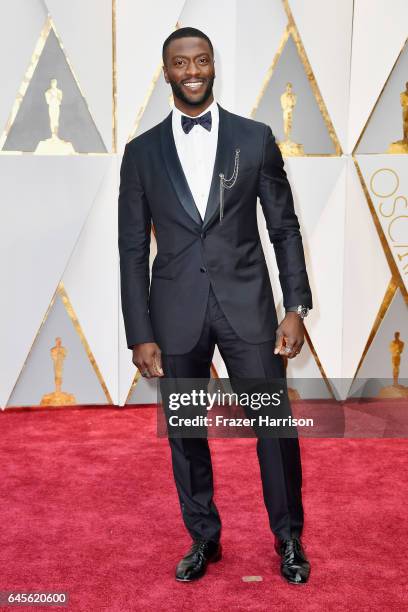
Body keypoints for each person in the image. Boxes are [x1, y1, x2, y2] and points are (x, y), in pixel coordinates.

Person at [118, 26, 313, 585]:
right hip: (174, 313)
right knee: (185, 431)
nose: (193, 71)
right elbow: (132, 248)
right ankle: (204, 537)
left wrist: (295, 306)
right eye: (182, 63)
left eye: (202, 60)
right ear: (166, 72)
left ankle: (289, 539)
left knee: (274, 429)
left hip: (248, 309)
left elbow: (284, 228)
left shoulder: (254, 139)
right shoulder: (141, 153)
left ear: (213, 65)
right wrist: (140, 332)